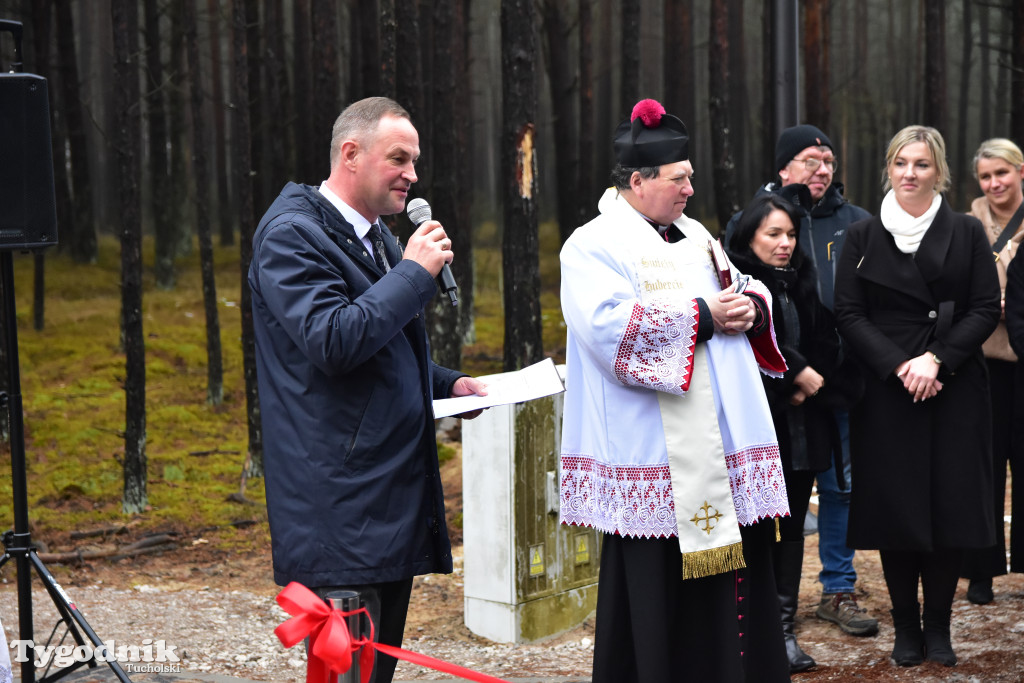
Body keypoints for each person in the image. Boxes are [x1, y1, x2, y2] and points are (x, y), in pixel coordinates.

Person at [249, 96, 486, 683]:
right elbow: (332, 340)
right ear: (350, 155)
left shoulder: (375, 236)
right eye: (398, 159)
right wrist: (413, 274)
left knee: (374, 674)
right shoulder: (291, 237)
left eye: (415, 161)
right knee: (346, 675)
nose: (412, 174)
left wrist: (450, 382)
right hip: (336, 509)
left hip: (383, 502)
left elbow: (381, 351)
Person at [559, 98, 791, 682]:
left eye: (690, 177)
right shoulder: (592, 244)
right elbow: (608, 329)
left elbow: (743, 286)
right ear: (638, 181)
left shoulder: (694, 237)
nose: (690, 188)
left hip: (723, 452)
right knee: (657, 591)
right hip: (653, 454)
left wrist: (752, 307)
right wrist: (707, 317)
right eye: (679, 178)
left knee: (732, 586)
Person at [833, 125, 1001, 667]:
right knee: (896, 507)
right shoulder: (861, 236)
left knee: (949, 505)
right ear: (888, 167)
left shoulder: (967, 231)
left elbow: (983, 307)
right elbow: (849, 313)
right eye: (902, 163)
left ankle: (940, 626)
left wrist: (937, 360)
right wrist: (899, 363)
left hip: (951, 383)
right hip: (888, 388)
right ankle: (906, 625)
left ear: (940, 172)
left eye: (922, 165)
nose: (910, 174)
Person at [725, 124, 878, 639]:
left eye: (829, 160)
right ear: (784, 168)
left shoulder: (856, 221)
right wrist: (791, 374)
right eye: (811, 159)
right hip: (776, 396)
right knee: (772, 507)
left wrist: (832, 374)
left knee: (841, 486)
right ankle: (765, 621)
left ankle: (837, 587)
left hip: (838, 378)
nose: (823, 169)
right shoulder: (749, 224)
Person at [960, 138, 1024, 605]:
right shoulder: (967, 224)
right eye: (986, 176)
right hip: (982, 361)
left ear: (1020, 171)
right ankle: (981, 570)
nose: (994, 183)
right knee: (982, 467)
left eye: (1002, 172)